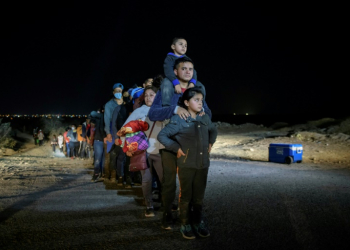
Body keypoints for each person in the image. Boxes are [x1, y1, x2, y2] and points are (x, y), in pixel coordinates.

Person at [148, 57, 212, 230]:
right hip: (170, 145)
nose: (187, 71)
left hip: (190, 146)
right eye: (183, 68)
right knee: (169, 183)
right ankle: (167, 214)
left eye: (190, 69)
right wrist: (175, 108)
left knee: (193, 185)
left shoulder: (196, 91)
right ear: (175, 72)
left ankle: (192, 217)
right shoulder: (167, 89)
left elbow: (208, 114)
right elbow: (153, 114)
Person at [158, 86, 217, 239]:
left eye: (201, 100)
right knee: (186, 197)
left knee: (199, 196)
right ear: (186, 102)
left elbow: (214, 130)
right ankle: (185, 223)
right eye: (196, 100)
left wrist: (210, 142)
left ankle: (197, 222)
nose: (200, 103)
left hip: (203, 164)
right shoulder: (179, 119)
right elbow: (162, 135)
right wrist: (176, 147)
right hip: (186, 164)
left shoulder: (204, 117)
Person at [122, 85, 164, 217]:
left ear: (157, 96)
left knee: (164, 179)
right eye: (146, 95)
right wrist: (126, 148)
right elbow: (125, 129)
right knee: (146, 180)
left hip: (160, 151)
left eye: (151, 95)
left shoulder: (163, 110)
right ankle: (149, 206)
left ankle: (166, 203)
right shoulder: (139, 111)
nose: (148, 97)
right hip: (143, 152)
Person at [161, 37, 206, 107]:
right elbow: (168, 71)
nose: (183, 47)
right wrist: (176, 83)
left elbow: (194, 72)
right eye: (181, 44)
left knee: (200, 85)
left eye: (185, 45)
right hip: (173, 80)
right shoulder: (169, 58)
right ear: (173, 46)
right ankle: (166, 106)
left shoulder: (187, 59)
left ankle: (201, 106)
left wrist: (192, 83)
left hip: (186, 81)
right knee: (166, 82)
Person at [104, 83, 130, 185]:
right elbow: (107, 120)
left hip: (125, 132)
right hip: (112, 130)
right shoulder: (109, 105)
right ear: (113, 92)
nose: (118, 93)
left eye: (120, 91)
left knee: (123, 155)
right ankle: (112, 175)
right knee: (112, 154)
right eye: (116, 91)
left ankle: (123, 176)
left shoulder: (125, 104)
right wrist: (108, 133)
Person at [90, 109, 106, 182]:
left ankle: (102, 174)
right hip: (99, 140)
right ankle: (96, 174)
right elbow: (92, 114)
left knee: (103, 159)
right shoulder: (100, 117)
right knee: (98, 159)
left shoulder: (107, 117)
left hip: (104, 140)